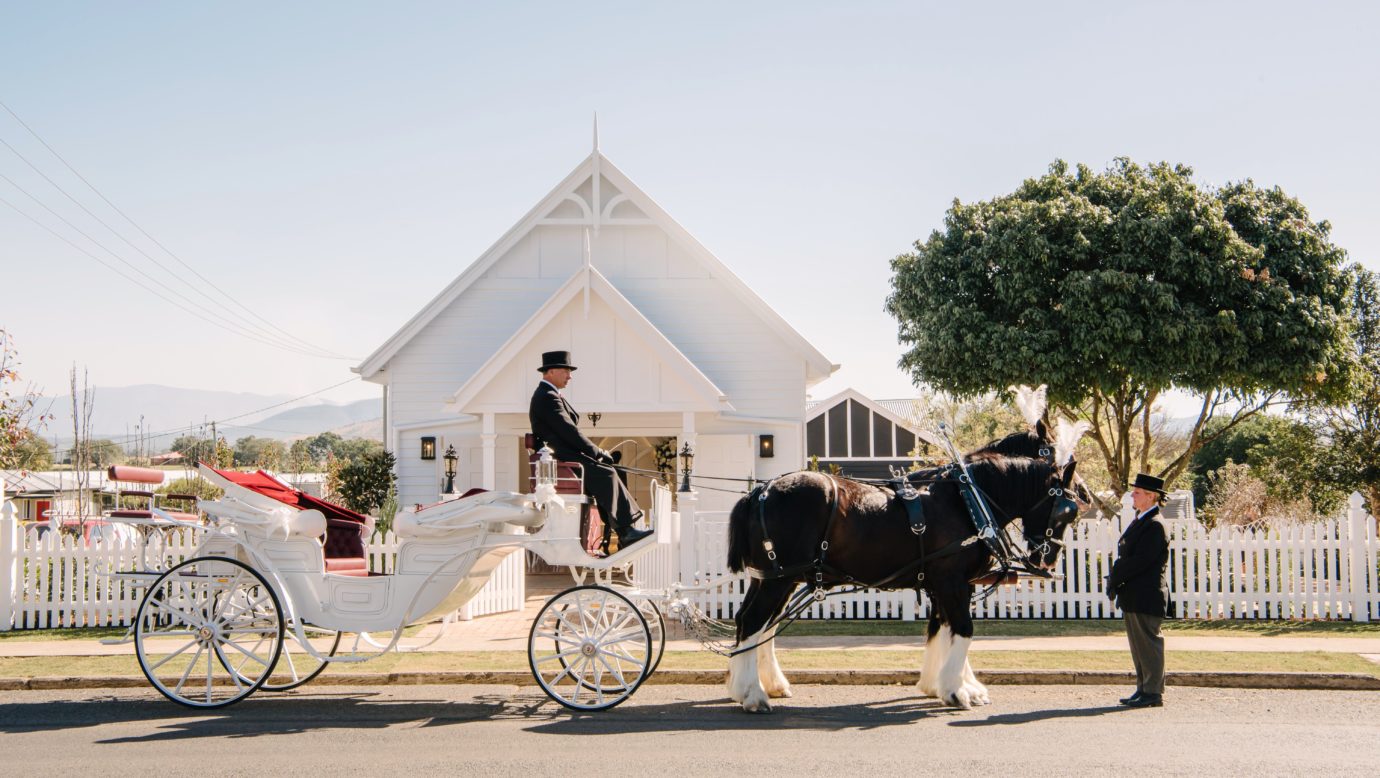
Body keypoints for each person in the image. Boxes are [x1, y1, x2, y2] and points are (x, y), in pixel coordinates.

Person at [528, 350, 653, 550]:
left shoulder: (550, 394)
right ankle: (626, 532)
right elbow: (569, 432)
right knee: (606, 473)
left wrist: (598, 453)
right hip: (563, 459)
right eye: (566, 371)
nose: (570, 376)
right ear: (551, 371)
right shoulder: (547, 396)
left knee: (616, 471)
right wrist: (597, 452)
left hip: (567, 455)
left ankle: (621, 531)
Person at [1107, 472, 1171, 708]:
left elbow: (1140, 560)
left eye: (1137, 492)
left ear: (1151, 496)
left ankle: (1153, 692)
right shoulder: (1142, 519)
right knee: (1138, 646)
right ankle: (1143, 687)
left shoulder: (1155, 525)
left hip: (1146, 594)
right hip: (1134, 594)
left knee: (1149, 644)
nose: (1132, 495)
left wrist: (1116, 574)